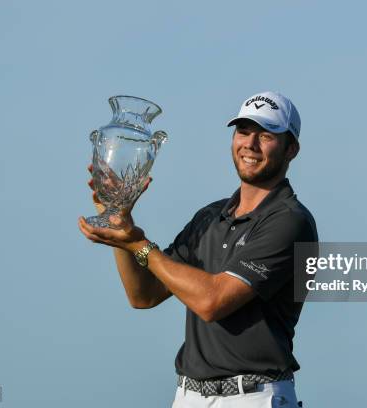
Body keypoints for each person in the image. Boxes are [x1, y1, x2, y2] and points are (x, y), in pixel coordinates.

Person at [78, 91, 318, 407]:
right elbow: (144, 295)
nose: (250, 144)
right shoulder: (210, 216)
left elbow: (211, 301)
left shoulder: (290, 221)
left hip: (255, 398)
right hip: (189, 396)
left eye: (266, 135)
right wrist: (121, 226)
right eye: (243, 131)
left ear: (291, 149)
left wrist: (138, 243)